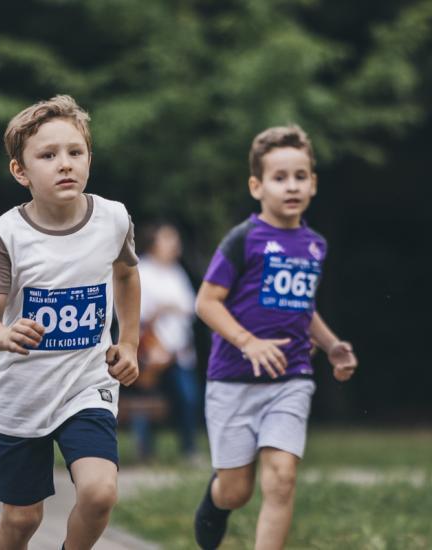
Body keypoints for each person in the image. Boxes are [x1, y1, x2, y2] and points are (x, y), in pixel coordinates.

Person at [0, 95, 141, 550]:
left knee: (100, 492)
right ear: (21, 172)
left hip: (85, 384)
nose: (64, 164)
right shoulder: (7, 235)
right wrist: (6, 335)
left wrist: (129, 344)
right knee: (22, 520)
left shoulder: (112, 218)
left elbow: (126, 275)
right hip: (21, 393)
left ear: (89, 157)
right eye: (48, 156)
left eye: (75, 152)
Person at [192, 126, 359, 549]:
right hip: (233, 380)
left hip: (291, 378)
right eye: (280, 177)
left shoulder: (315, 245)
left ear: (313, 184)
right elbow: (207, 303)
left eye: (300, 177)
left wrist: (332, 345)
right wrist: (248, 342)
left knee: (282, 478)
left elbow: (301, 308)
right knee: (236, 492)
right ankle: (217, 498)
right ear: (257, 186)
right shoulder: (244, 239)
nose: (292, 186)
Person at [133, 222, 201, 463]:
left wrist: (171, 308)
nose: (175, 245)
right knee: (146, 399)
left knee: (188, 398)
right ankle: (145, 452)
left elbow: (192, 307)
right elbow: (136, 310)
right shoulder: (142, 270)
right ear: (153, 244)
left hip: (179, 350)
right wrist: (164, 308)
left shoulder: (176, 272)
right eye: (168, 240)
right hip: (151, 350)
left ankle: (189, 449)